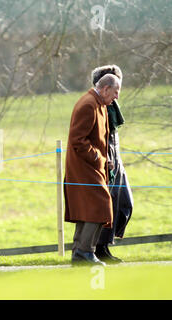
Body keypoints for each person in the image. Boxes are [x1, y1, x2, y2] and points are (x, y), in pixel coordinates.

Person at [64, 73, 122, 266]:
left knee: (88, 208)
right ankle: (84, 251)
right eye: (115, 92)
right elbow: (77, 140)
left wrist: (106, 161)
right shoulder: (88, 104)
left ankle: (79, 253)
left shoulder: (101, 105)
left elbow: (99, 138)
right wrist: (98, 158)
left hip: (94, 166)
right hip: (84, 167)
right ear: (105, 89)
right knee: (100, 205)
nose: (117, 97)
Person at [91, 65, 133, 263]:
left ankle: (104, 245)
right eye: (115, 88)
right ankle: (100, 248)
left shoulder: (112, 108)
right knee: (108, 207)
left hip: (117, 160)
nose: (117, 92)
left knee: (125, 204)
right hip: (107, 162)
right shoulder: (98, 107)